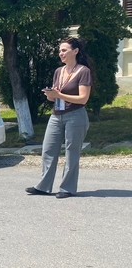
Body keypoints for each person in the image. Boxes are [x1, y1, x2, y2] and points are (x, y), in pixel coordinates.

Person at [26, 37, 93, 199]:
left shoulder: (83, 71)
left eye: (64, 50)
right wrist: (51, 95)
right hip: (56, 115)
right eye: (60, 50)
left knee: (72, 152)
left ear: (75, 51)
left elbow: (83, 99)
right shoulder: (59, 71)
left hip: (76, 116)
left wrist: (59, 94)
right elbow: (56, 96)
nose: (60, 53)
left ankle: (67, 188)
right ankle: (43, 186)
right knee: (48, 150)